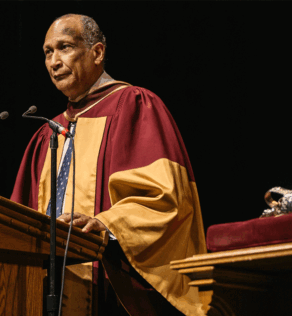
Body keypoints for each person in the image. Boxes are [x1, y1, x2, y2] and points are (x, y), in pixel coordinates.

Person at [11, 13, 206, 316]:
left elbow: (166, 199)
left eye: (64, 47)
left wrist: (107, 224)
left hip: (112, 289)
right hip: (50, 291)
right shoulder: (45, 134)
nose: (54, 61)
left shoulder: (135, 106)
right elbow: (17, 219)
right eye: (48, 52)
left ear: (97, 52)